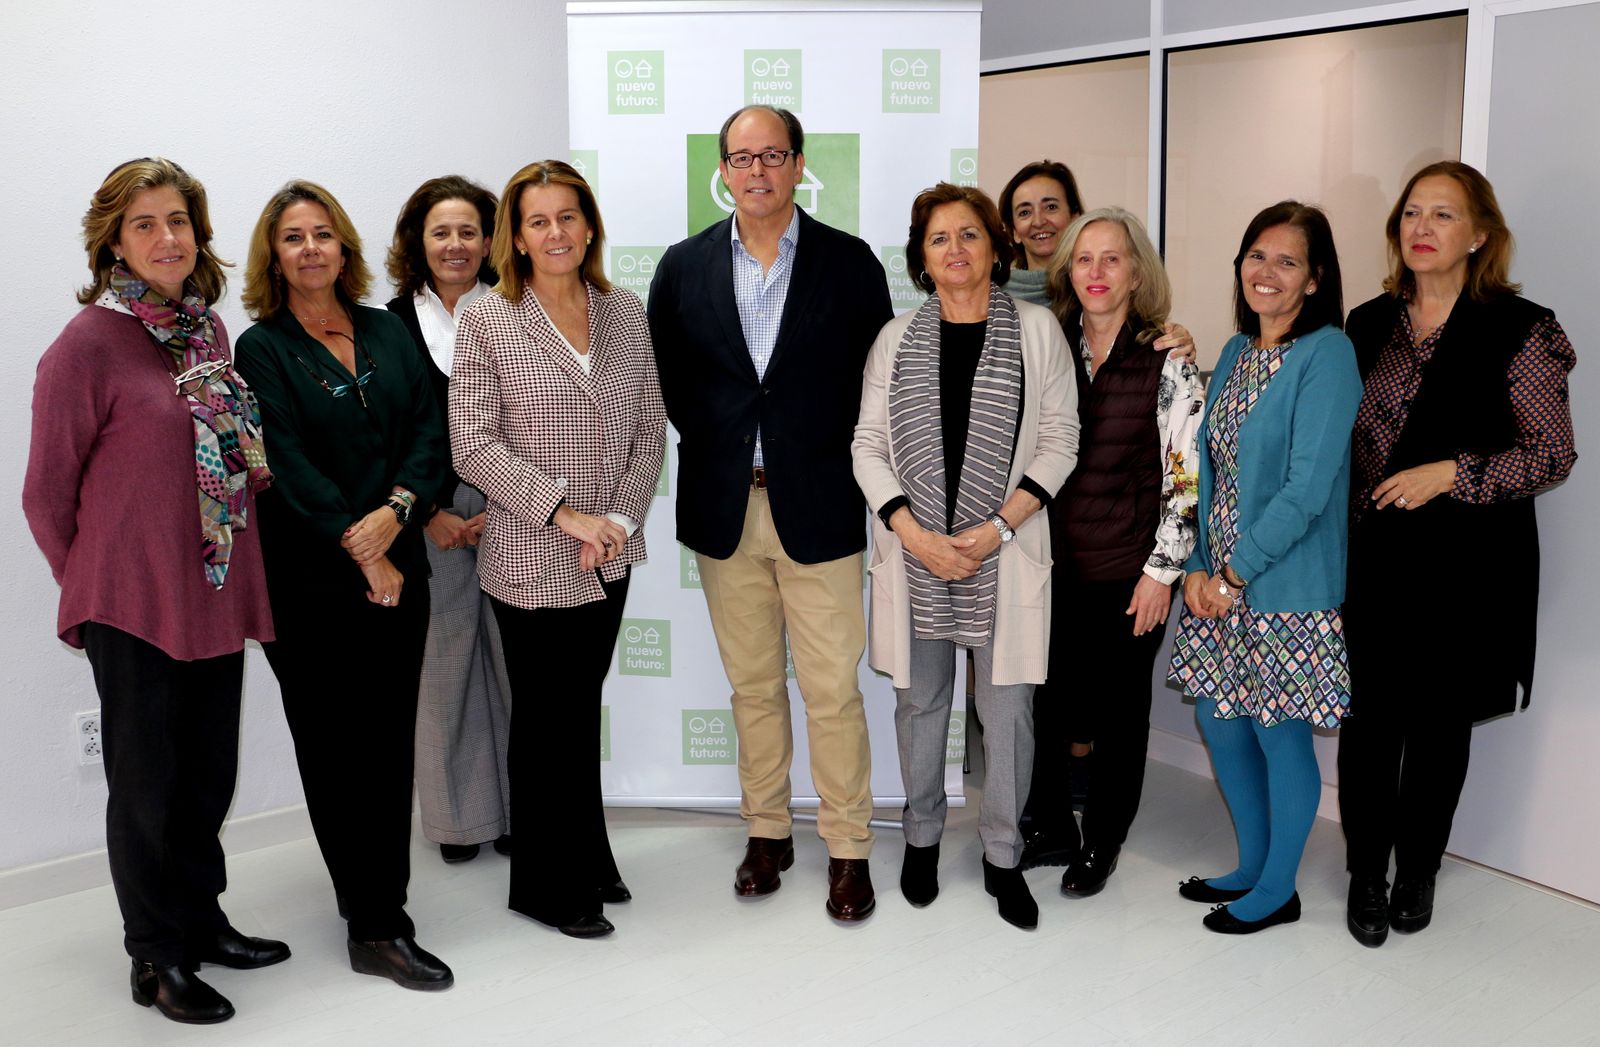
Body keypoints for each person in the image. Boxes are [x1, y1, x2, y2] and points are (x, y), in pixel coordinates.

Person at [23, 158, 286, 1025]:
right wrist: (95, 589)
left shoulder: (205, 332)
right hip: (130, 606)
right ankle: (156, 955)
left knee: (208, 774)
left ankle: (201, 922)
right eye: (145, 224)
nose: (167, 238)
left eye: (178, 220)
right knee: (146, 785)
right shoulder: (84, 346)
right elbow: (44, 493)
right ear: (112, 242)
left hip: (210, 589)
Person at [648, 105, 893, 921]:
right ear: (722, 171)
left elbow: (875, 384)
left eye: (773, 155)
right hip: (726, 509)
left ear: (797, 165)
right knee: (753, 687)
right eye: (741, 158)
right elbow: (672, 383)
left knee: (831, 690)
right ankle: (767, 831)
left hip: (820, 508)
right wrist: (729, 442)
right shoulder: (683, 267)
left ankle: (849, 847)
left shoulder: (850, 263)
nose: (757, 171)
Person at [1337, 162, 1577, 947]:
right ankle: (1365, 872)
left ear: (1480, 235)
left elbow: (1553, 453)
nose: (1423, 227)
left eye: (1443, 215)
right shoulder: (1366, 323)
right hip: (1373, 560)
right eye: (1412, 212)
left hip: (1470, 566)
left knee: (1440, 726)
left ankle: (1418, 870)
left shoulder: (1522, 327)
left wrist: (1453, 472)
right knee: (1369, 722)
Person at [235, 181, 452, 990]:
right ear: (275, 257)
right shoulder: (261, 349)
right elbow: (285, 464)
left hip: (403, 566)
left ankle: (381, 902)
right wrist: (364, 550)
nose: (312, 248)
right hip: (314, 586)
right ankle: (374, 926)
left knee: (388, 746)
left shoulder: (388, 330)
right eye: (294, 237)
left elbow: (431, 432)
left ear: (346, 248)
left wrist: (397, 513)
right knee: (337, 751)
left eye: (324, 233)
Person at [853, 182, 1079, 930]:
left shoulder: (1039, 331)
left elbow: (1059, 440)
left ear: (996, 247)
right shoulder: (895, 338)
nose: (955, 249)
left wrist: (997, 530)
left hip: (1005, 551)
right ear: (922, 256)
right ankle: (921, 838)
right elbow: (867, 446)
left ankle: (1002, 854)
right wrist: (914, 533)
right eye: (939, 237)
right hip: (915, 552)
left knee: (1007, 711)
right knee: (921, 703)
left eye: (970, 234)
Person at [452, 160, 666, 940]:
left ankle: (588, 852)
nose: (554, 233)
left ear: (589, 226)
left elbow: (650, 430)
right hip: (533, 552)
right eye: (537, 220)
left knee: (579, 709)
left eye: (567, 217)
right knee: (544, 719)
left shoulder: (624, 311)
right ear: (516, 234)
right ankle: (544, 884)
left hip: (608, 549)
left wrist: (613, 518)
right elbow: (472, 445)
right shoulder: (487, 318)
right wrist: (567, 514)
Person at [1168, 201, 1362, 934]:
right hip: (1219, 587)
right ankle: (1251, 864)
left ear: (1315, 278)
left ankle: (1278, 889)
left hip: (1282, 590)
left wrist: (1235, 574)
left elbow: (1308, 487)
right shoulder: (1238, 352)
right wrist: (1194, 565)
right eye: (1256, 255)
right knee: (1224, 723)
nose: (1267, 271)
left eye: (1287, 260)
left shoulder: (1328, 354)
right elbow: (1201, 470)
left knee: (1279, 731)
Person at [1037, 207, 1204, 897]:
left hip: (1128, 575)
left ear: (1138, 271)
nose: (1097, 272)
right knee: (1045, 705)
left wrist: (1161, 573)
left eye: (1112, 258)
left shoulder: (1170, 362)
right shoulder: (1046, 348)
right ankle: (1052, 828)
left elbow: (1185, 477)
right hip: (1048, 568)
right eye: (1084, 259)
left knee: (1118, 715)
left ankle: (1102, 841)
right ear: (1067, 271)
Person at [385, 175, 514, 865]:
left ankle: (519, 810)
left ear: (490, 242)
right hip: (425, 517)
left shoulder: (520, 311)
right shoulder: (388, 323)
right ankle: (460, 821)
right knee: (445, 668)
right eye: (441, 232)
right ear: (418, 242)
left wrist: (506, 501)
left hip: (513, 512)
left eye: (469, 231)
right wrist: (430, 511)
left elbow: (538, 419)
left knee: (513, 666)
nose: (456, 244)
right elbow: (383, 431)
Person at [997, 160, 1084, 306]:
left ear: (1074, 217)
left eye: (1051, 207)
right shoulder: (994, 298)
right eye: (1024, 212)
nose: (1038, 221)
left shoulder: (1094, 289)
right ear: (1014, 232)